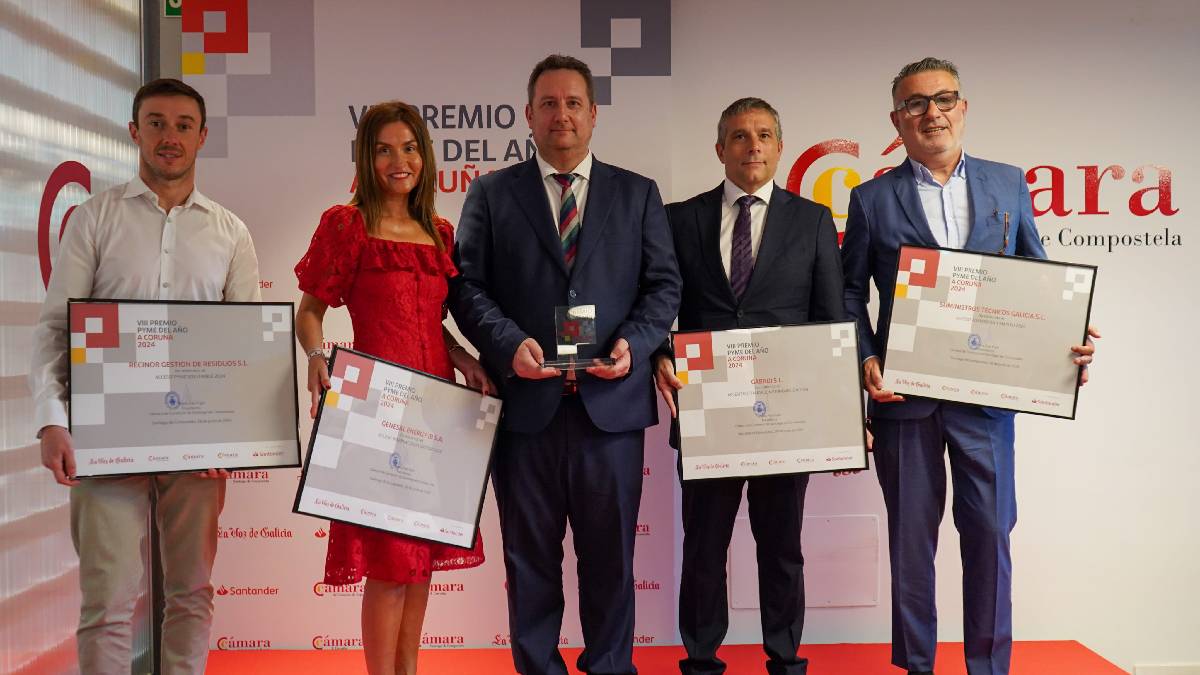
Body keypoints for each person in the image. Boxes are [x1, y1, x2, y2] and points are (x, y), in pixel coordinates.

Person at [840, 57, 1100, 675]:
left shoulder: (1008, 185)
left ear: (963, 109)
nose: (932, 112)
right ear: (896, 121)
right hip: (904, 398)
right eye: (916, 103)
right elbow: (850, 294)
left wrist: (1069, 339)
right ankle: (918, 667)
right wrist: (867, 359)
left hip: (988, 397)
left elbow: (1037, 277)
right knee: (911, 544)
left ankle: (988, 667)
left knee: (989, 536)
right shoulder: (871, 199)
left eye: (945, 99)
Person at [449, 54, 681, 675]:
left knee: (610, 559)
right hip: (527, 411)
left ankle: (610, 666)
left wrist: (635, 342)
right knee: (529, 560)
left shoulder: (638, 194)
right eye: (548, 103)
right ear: (528, 114)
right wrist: (506, 345)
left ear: (593, 114)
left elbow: (663, 287)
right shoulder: (492, 193)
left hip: (611, 408)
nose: (561, 114)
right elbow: (466, 287)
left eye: (573, 102)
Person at [29, 78, 260, 674]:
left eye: (184, 125)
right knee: (106, 602)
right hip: (104, 437)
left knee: (191, 593)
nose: (170, 136)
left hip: (197, 442)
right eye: (156, 123)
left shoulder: (230, 233)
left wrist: (233, 436)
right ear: (134, 131)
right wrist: (52, 422)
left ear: (202, 137)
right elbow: (56, 329)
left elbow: (245, 346)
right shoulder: (95, 219)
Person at [293, 100, 492, 675]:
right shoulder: (346, 224)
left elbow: (434, 320)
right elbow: (311, 313)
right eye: (384, 149)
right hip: (375, 411)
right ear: (366, 156)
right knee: (388, 563)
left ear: (425, 156)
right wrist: (314, 355)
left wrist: (464, 357)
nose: (398, 160)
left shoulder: (440, 231)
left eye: (408, 148)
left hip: (438, 411)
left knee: (419, 560)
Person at [652, 98, 844, 675]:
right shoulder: (678, 219)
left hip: (786, 415)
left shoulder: (812, 220)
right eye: (739, 136)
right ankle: (702, 658)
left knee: (781, 546)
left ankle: (785, 658)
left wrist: (842, 415)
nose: (752, 146)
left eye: (763, 135)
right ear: (720, 150)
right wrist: (660, 352)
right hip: (709, 410)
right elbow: (657, 302)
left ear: (780, 148)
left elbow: (831, 320)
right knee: (704, 546)